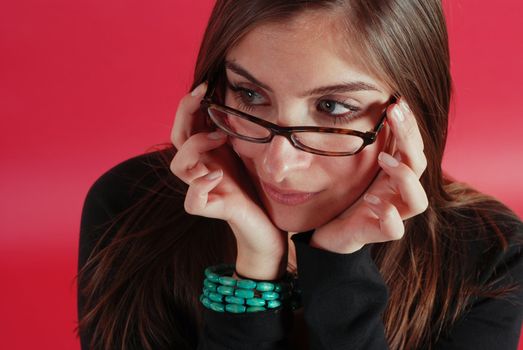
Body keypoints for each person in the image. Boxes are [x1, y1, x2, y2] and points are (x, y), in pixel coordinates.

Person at [76, 0, 523, 349]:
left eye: (332, 108)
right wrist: (251, 274)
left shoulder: (490, 259)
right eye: (250, 94)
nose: (277, 165)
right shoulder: (129, 210)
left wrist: (339, 270)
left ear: (409, 116)